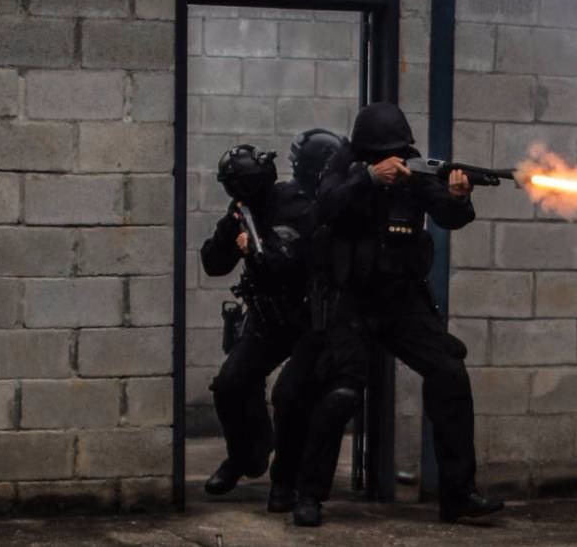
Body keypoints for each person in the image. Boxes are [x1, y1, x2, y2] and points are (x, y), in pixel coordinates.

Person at [277, 102, 501, 528]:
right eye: (384, 154)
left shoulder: (413, 172)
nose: (393, 160)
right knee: (342, 390)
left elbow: (446, 214)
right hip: (349, 299)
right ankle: (308, 494)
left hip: (399, 299)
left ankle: (458, 494)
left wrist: (458, 197)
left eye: (397, 152)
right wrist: (367, 178)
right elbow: (322, 209)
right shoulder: (343, 165)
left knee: (449, 372)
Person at [199, 138, 326, 499]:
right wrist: (232, 232)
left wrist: (254, 249)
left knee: (290, 397)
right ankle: (244, 457)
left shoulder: (295, 205)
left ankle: (287, 476)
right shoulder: (242, 211)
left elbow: (284, 264)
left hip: (303, 318)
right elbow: (213, 264)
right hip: (266, 317)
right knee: (230, 385)